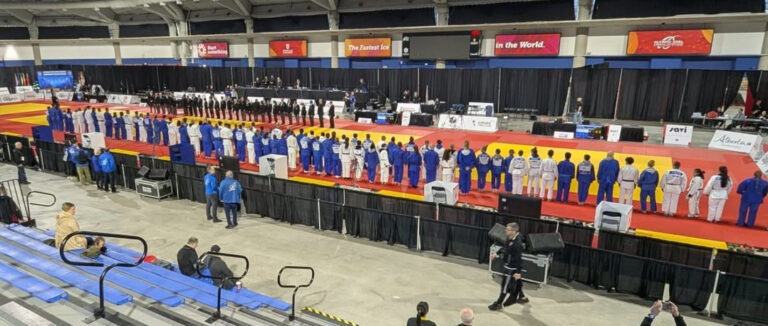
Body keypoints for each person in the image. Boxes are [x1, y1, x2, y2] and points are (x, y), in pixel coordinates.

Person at [489, 222, 525, 311]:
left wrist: (518, 272)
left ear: (514, 231)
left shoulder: (517, 244)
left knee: (505, 286)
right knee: (517, 283)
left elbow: (519, 259)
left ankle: (499, 303)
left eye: (508, 230)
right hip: (510, 265)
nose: (505, 231)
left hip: (511, 268)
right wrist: (496, 253)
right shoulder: (511, 237)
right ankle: (522, 297)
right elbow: (505, 246)